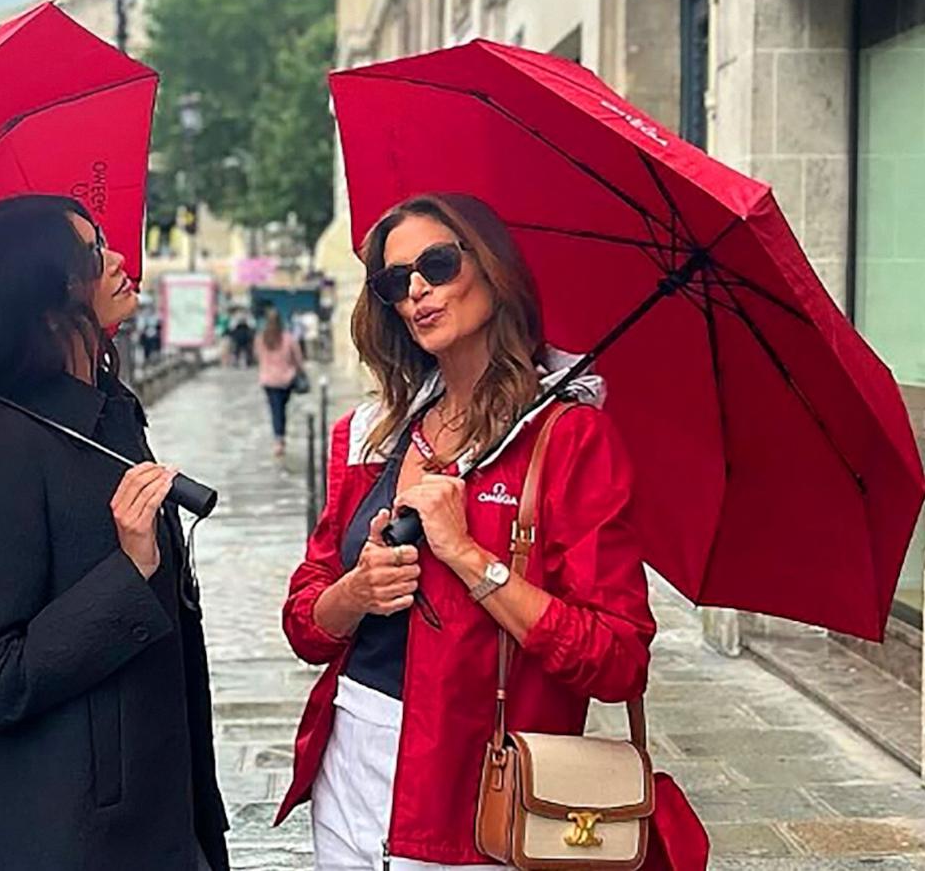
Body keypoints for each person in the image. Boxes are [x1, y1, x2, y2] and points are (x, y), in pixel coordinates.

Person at [276, 193, 706, 869]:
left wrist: (471, 558)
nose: (416, 289)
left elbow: (619, 659)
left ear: (493, 270)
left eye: (438, 265)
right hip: (351, 771)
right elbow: (305, 621)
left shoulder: (567, 440)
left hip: (482, 801)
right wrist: (357, 592)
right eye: (395, 281)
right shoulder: (370, 437)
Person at [0, 195, 228, 871]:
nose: (119, 261)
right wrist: (129, 571)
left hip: (156, 810)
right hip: (67, 831)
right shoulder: (5, 446)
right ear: (44, 297)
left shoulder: (109, 418)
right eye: (92, 254)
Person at [255, 306, 304, 459]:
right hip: (285, 380)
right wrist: (301, 371)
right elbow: (298, 358)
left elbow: (257, 356)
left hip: (268, 380)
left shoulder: (261, 339)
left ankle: (279, 439)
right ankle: (280, 439)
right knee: (281, 409)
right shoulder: (288, 338)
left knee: (275, 409)